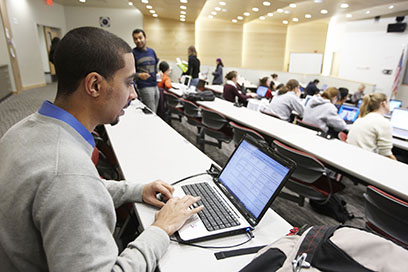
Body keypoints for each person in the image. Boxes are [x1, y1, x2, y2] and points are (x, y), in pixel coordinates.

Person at [0, 27, 203, 271]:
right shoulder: (69, 175)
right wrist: (161, 229)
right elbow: (73, 184)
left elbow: (73, 188)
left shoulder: (20, 131)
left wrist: (137, 190)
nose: (133, 94)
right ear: (95, 85)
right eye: (128, 83)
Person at [347, 93, 396, 160]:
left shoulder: (361, 118)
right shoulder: (383, 122)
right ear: (383, 104)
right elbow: (386, 155)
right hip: (366, 162)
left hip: (352, 157)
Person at [132, 28, 160, 113]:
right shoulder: (132, 53)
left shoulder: (151, 51)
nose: (138, 40)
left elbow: (156, 66)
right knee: (151, 112)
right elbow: (129, 73)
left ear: (145, 37)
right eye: (135, 39)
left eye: (140, 37)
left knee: (155, 110)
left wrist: (159, 72)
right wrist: (139, 75)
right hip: (144, 86)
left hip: (155, 84)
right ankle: (151, 126)